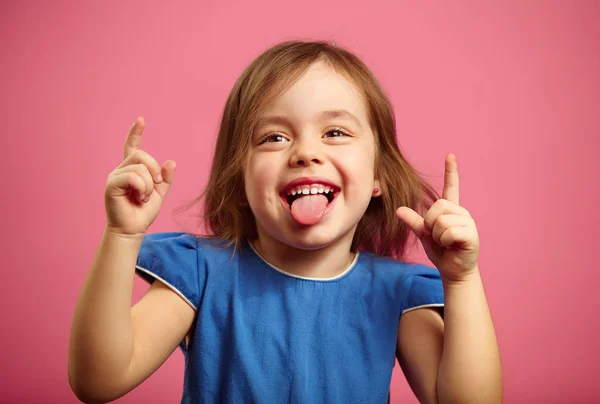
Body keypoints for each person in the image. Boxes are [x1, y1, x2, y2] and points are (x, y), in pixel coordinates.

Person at [68, 41, 502, 404]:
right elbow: (98, 380)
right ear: (240, 178)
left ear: (378, 177)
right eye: (274, 137)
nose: (304, 152)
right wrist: (122, 235)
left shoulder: (396, 294)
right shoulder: (203, 274)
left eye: (335, 132)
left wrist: (462, 281)